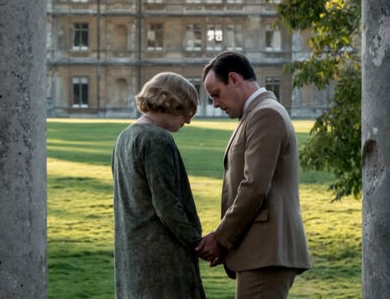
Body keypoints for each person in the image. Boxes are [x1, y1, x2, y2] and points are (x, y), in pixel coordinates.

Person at [195, 52, 311, 298]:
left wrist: (221, 237)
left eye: (216, 93)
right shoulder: (257, 113)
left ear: (234, 79)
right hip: (261, 252)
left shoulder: (265, 114)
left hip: (267, 253)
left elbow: (255, 186)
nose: (215, 103)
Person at [112, 72, 206, 298]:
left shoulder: (124, 137)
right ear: (172, 103)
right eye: (187, 110)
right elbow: (166, 203)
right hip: (163, 258)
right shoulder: (156, 139)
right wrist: (196, 242)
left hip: (133, 254)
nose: (188, 120)